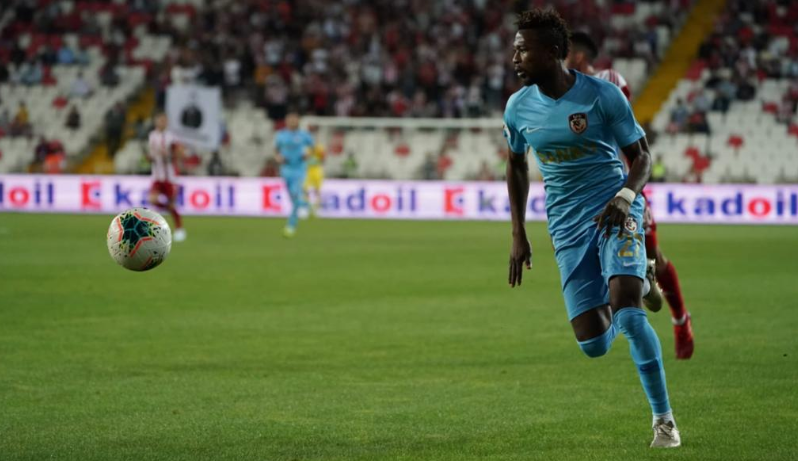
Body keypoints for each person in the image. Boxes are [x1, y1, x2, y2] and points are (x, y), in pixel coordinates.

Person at [504, 9, 680, 448]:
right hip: (566, 227)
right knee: (594, 344)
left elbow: (642, 157)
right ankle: (642, 282)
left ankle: (664, 422)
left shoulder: (602, 96)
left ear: (553, 53)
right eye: (515, 50)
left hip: (615, 212)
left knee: (628, 313)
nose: (515, 58)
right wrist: (518, 232)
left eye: (523, 50)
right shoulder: (518, 107)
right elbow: (516, 165)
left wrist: (625, 196)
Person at [566, 31, 693, 360]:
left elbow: (625, 132)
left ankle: (681, 320)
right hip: (587, 196)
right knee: (604, 262)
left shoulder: (609, 81)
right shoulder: (558, 96)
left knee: (653, 255)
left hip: (624, 185)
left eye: (563, 55)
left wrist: (630, 188)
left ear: (578, 57)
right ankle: (635, 294)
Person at [147, 113, 186, 242]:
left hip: (170, 177)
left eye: (164, 121)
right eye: (160, 121)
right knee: (152, 199)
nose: (162, 123)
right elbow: (151, 154)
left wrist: (169, 155)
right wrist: (150, 158)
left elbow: (180, 153)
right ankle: (167, 213)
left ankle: (179, 229)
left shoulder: (171, 137)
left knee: (171, 204)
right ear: (156, 122)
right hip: (157, 176)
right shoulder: (152, 136)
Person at [274, 112, 313, 238]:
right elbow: (276, 150)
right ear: (286, 121)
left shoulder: (304, 135)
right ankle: (306, 204)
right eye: (290, 120)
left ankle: (291, 225)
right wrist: (278, 157)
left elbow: (312, 148)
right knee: (293, 198)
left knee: (296, 193)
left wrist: (308, 154)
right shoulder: (281, 135)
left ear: (298, 121)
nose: (292, 122)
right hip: (286, 169)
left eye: (294, 120)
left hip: (299, 169)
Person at [303, 141, 326, 217]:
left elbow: (323, 159)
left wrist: (320, 155)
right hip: (308, 170)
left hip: (317, 170)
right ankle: (306, 207)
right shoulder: (307, 149)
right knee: (305, 189)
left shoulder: (319, 148)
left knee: (317, 190)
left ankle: (317, 208)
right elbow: (304, 158)